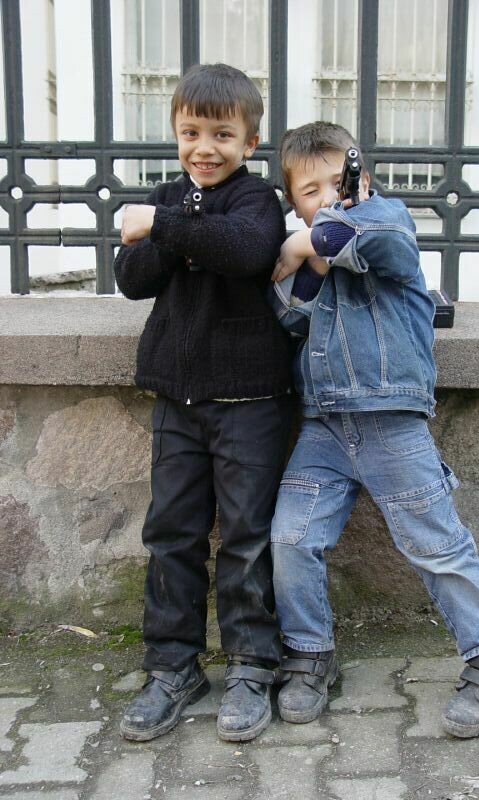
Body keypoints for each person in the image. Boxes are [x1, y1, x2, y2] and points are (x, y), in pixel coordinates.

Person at [268, 121, 479, 738]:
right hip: (325, 427)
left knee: (436, 544)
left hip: (389, 421)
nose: (329, 197)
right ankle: (310, 654)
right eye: (311, 190)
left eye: (341, 182)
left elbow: (360, 237)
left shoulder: (388, 219)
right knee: (290, 538)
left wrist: (305, 243)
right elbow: (286, 316)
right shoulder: (313, 259)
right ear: (293, 202)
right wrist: (305, 264)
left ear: (365, 180)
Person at [114, 63, 293, 743]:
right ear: (176, 133)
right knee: (172, 534)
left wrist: (166, 225)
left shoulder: (257, 201)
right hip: (178, 402)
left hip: (250, 401)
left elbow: (245, 251)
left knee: (247, 536)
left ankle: (251, 664)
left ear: (250, 142)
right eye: (191, 133)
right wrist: (174, 226)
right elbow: (133, 277)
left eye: (222, 134)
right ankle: (172, 667)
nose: (205, 148)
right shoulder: (168, 196)